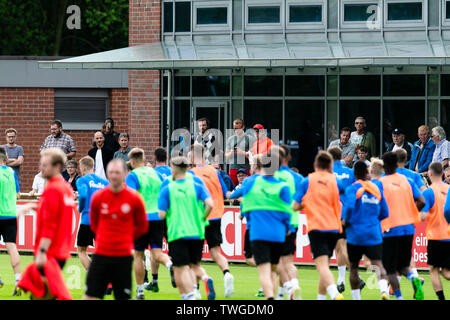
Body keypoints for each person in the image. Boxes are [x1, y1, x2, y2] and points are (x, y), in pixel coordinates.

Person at [83, 159, 148, 300]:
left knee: (122, 297)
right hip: (101, 254)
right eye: (111, 172)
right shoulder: (98, 197)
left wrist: (126, 238)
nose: (114, 176)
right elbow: (94, 225)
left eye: (117, 172)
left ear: (125, 173)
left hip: (123, 256)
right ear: (107, 174)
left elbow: (142, 226)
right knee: (90, 296)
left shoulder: (134, 198)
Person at [158, 156, 215, 300]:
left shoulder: (167, 188)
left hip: (178, 232)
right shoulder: (196, 185)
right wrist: (202, 218)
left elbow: (161, 215)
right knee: (194, 265)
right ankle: (204, 279)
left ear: (174, 169)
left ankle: (189, 296)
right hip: (197, 232)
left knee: (180, 267)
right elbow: (210, 204)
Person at [293, 151, 345, 300]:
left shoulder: (307, 181)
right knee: (325, 266)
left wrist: (307, 203)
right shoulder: (336, 181)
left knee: (321, 266)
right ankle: (320, 298)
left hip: (317, 227)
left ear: (315, 165)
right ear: (330, 166)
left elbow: (295, 206)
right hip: (334, 227)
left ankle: (335, 293)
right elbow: (346, 197)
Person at [240, 150, 292, 300]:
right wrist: (288, 228)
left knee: (264, 270)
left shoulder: (252, 182)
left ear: (261, 165)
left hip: (257, 232)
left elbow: (246, 208)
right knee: (274, 270)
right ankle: (286, 289)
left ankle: (270, 298)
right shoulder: (283, 186)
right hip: (278, 234)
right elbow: (287, 212)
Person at [125, 148, 175, 299]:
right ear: (143, 158)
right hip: (158, 218)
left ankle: (140, 291)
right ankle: (170, 265)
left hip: (141, 219)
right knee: (157, 253)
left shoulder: (132, 175)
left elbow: (131, 197)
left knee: (138, 255)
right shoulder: (156, 173)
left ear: (132, 161)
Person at [29, 148, 76, 296]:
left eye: (45, 165)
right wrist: (33, 206)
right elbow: (58, 214)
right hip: (62, 250)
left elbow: (50, 224)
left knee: (41, 294)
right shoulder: (66, 188)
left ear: (56, 167)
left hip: (49, 252)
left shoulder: (52, 189)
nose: (41, 168)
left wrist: (42, 252)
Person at [379, 151, 425, 300]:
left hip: (390, 228)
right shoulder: (407, 180)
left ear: (384, 166)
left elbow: (376, 205)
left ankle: (399, 297)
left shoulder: (381, 182)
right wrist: (410, 211)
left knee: (390, 268)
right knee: (404, 265)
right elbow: (422, 201)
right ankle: (414, 278)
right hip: (408, 228)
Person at [190, 144, 234, 298]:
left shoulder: (191, 173)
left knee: (195, 258)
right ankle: (227, 273)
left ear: (193, 156)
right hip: (216, 215)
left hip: (200, 218)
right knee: (216, 252)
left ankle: (195, 289)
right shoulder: (215, 172)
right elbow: (226, 192)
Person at [341, 161, 390, 300]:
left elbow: (349, 208)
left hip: (355, 234)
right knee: (379, 264)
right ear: (367, 173)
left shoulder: (352, 189)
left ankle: (356, 297)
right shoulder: (376, 189)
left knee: (354, 267)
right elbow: (385, 213)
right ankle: (383, 291)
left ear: (355, 174)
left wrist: (345, 222)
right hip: (373, 233)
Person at [273, 145, 303, 300]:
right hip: (293, 222)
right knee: (287, 261)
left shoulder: (272, 176)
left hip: (277, 223)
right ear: (289, 157)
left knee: (275, 262)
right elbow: (304, 199)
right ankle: (286, 290)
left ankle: (290, 287)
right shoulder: (297, 178)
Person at [327, 146, 358, 293]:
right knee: (341, 247)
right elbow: (356, 191)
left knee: (334, 249)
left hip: (330, 214)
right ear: (341, 156)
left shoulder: (326, 173)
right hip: (346, 213)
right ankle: (340, 279)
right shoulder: (350, 172)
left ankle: (344, 278)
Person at [419, 162, 450, 301]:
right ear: (443, 173)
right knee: (446, 272)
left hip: (436, 236)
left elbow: (423, 216)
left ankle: (441, 298)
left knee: (434, 269)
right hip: (449, 235)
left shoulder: (429, 191)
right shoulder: (449, 189)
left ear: (430, 174)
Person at [75, 156, 109, 271]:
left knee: (81, 251)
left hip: (87, 220)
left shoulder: (82, 180)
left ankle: (94, 277)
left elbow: (84, 195)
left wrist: (80, 207)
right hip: (102, 221)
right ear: (93, 166)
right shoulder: (105, 182)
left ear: (83, 167)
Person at [0, 146, 22, 295]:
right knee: (12, 247)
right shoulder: (11, 172)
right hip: (10, 214)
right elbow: (18, 195)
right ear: (5, 158)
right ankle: (18, 281)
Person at [225, 118, 255, 186]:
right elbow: (226, 156)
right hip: (233, 168)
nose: (236, 131)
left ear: (243, 127)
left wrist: (241, 152)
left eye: (238, 128)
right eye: (235, 128)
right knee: (233, 188)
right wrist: (232, 152)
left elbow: (251, 155)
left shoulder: (249, 138)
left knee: (246, 188)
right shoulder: (230, 139)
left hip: (246, 169)